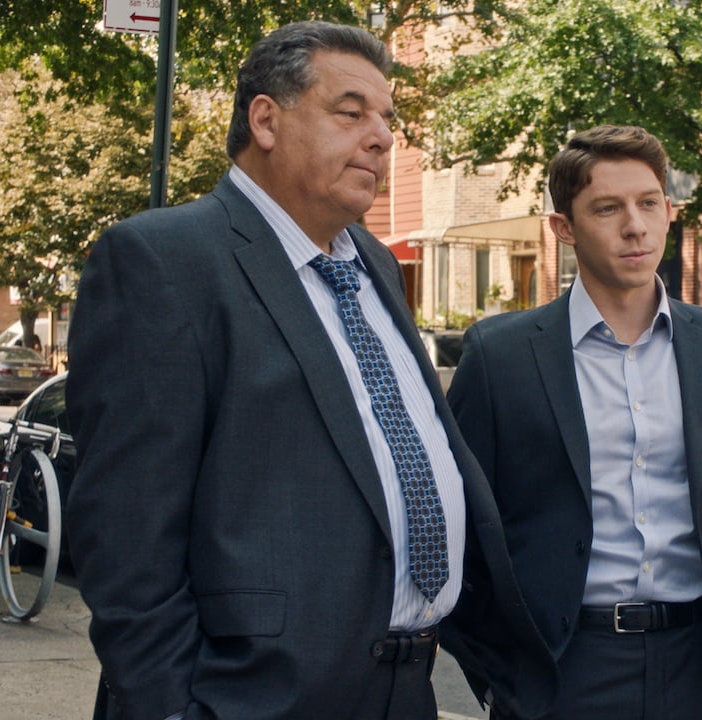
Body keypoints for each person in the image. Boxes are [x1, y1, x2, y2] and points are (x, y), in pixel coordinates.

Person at [65, 21, 554, 720]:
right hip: (250, 697)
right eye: (351, 113)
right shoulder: (164, 261)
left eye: (387, 119)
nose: (383, 137)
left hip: (405, 688)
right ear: (266, 119)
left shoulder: (375, 263)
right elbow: (126, 537)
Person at [447, 124, 702, 720]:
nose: (635, 225)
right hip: (563, 674)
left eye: (648, 203)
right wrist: (504, 678)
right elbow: (462, 532)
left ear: (668, 210)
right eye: (607, 208)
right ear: (564, 228)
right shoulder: (499, 356)